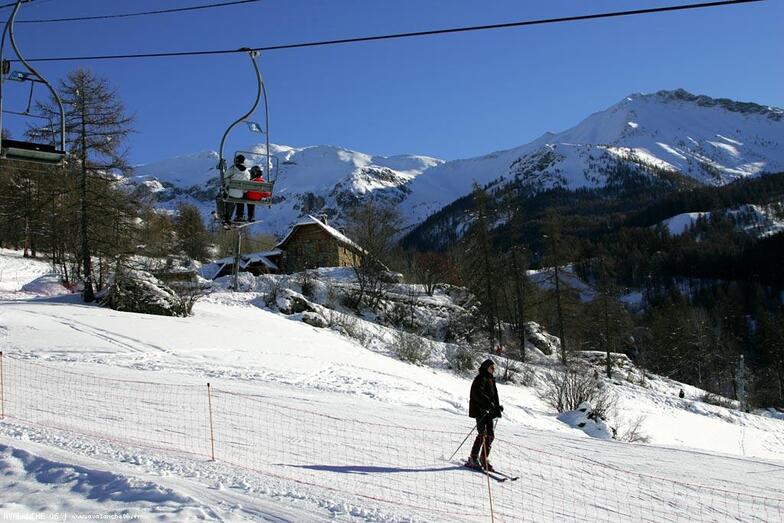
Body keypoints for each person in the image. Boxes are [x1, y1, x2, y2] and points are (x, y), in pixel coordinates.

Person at [468, 358, 503, 471]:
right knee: (482, 434)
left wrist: (497, 407)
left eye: (494, 368)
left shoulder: (490, 379)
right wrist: (488, 403)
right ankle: (473, 458)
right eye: (491, 367)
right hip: (480, 411)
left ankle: (484, 458)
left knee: (490, 435)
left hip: (489, 412)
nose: (493, 370)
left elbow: (493, 397)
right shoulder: (480, 378)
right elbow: (477, 394)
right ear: (486, 367)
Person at [228, 154, 250, 222]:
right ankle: (239, 216)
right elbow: (248, 182)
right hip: (240, 194)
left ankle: (227, 216)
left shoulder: (232, 169)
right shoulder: (247, 172)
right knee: (241, 199)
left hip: (231, 193)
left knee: (226, 197)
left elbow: (225, 176)